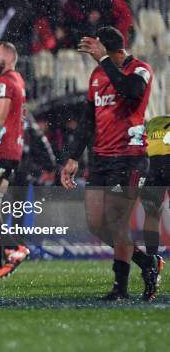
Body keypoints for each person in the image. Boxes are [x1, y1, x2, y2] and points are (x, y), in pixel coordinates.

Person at [61, 26, 158, 301]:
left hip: (130, 158)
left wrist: (104, 60)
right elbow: (87, 121)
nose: (96, 59)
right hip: (101, 158)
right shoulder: (96, 75)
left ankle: (121, 288)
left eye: (101, 53)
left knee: (117, 220)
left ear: (115, 51)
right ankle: (146, 262)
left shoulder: (140, 70)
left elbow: (132, 92)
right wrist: (72, 157)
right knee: (95, 223)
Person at [0, 41, 30, 279]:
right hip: (12, 154)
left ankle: (14, 247)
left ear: (10, 58)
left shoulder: (3, 83)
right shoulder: (18, 81)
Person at [138, 115, 168, 300]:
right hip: (152, 153)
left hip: (151, 154)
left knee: (151, 215)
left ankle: (152, 264)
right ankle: (152, 263)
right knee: (150, 215)